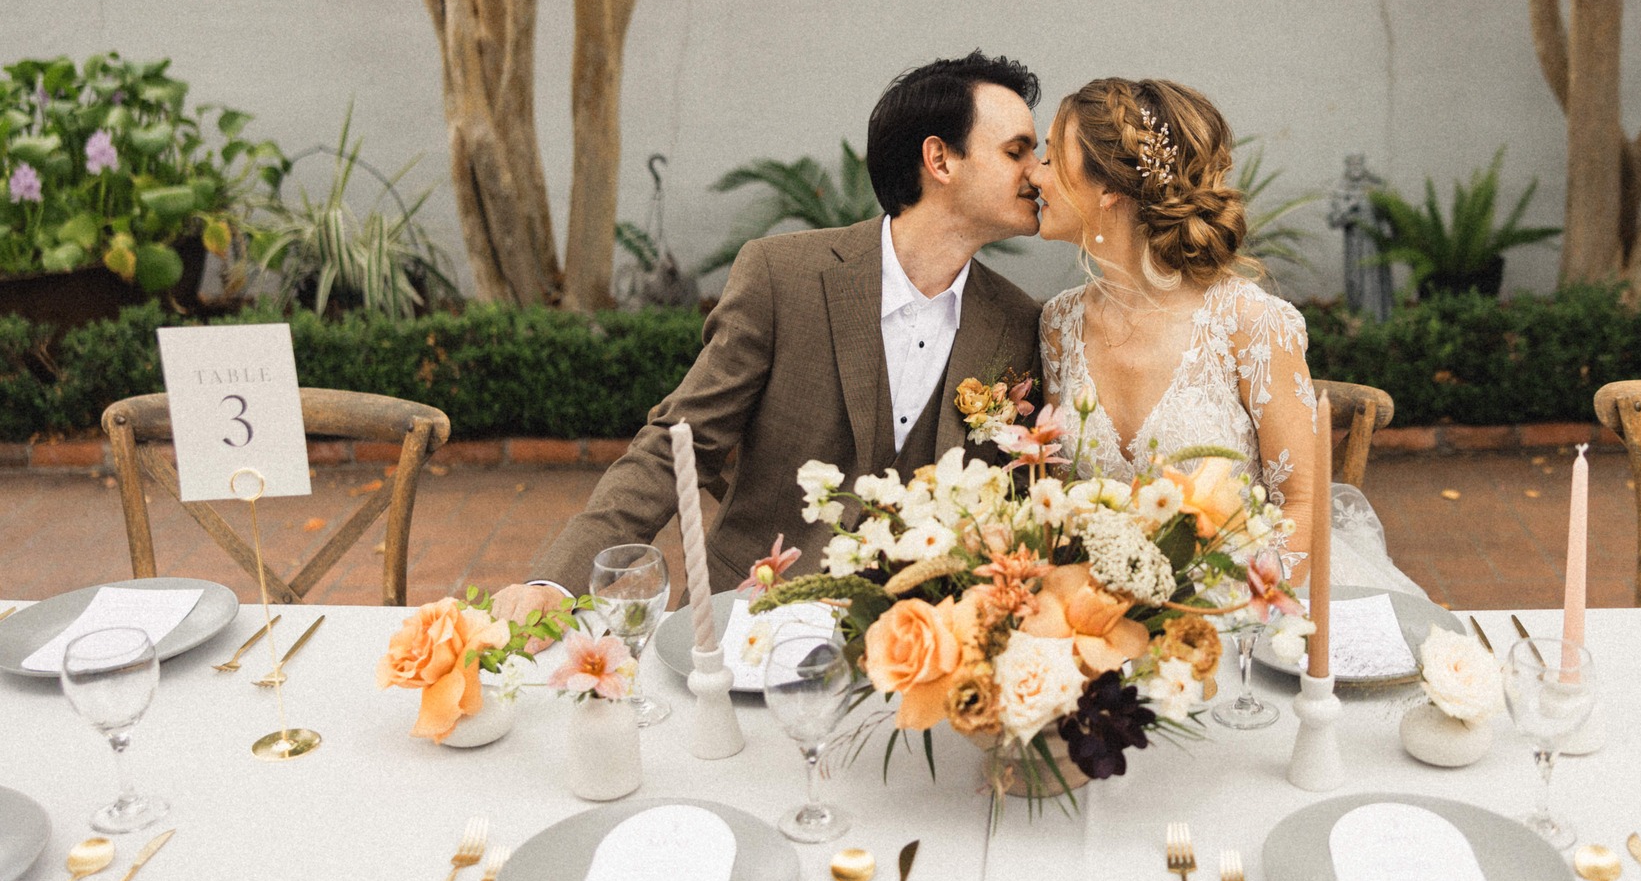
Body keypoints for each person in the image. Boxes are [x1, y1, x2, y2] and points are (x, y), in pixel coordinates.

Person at [496, 52, 1046, 618]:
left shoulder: (1018, 321)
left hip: (924, 639)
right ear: (940, 159)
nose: (1038, 171)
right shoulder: (783, 277)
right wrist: (556, 585)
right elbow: (679, 443)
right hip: (750, 619)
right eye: (1016, 151)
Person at [1028, 76, 1419, 594]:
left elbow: (1303, 507)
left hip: (1245, 614)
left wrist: (1225, 617)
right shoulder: (1059, 325)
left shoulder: (1250, 325)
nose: (1035, 174)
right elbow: (1060, 503)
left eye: (1052, 157)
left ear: (1110, 191)